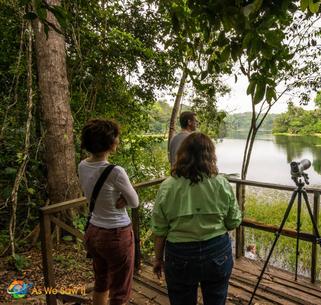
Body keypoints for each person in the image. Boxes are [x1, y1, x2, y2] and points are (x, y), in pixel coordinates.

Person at [151, 132, 242, 305]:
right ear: (210, 155)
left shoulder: (168, 186)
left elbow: (160, 229)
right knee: (216, 299)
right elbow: (233, 222)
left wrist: (157, 259)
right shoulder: (221, 183)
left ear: (182, 154)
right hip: (216, 250)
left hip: (179, 253)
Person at [79, 119, 139, 305]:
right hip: (116, 234)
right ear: (110, 143)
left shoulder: (82, 165)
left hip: (94, 231)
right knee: (120, 291)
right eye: (116, 137)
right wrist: (124, 199)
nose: (118, 140)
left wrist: (121, 198)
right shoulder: (116, 171)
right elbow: (135, 202)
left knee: (101, 281)